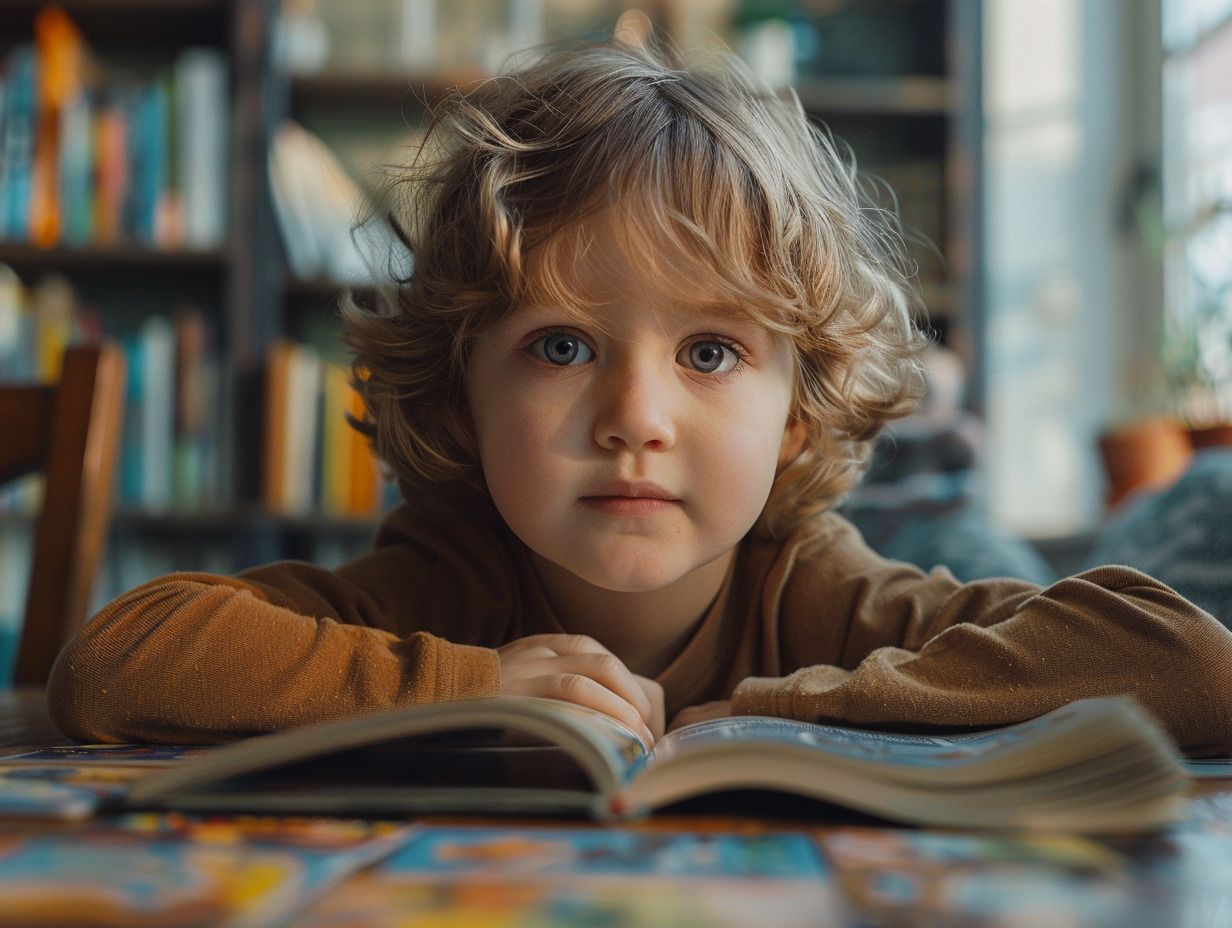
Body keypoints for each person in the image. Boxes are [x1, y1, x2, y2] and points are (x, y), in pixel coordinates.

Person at [47, 34, 1232, 756]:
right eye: (560, 347)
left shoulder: (815, 588)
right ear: (460, 397)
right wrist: (466, 686)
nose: (634, 417)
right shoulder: (444, 581)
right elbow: (114, 661)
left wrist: (794, 709)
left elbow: (1190, 663)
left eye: (709, 353)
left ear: (799, 411)